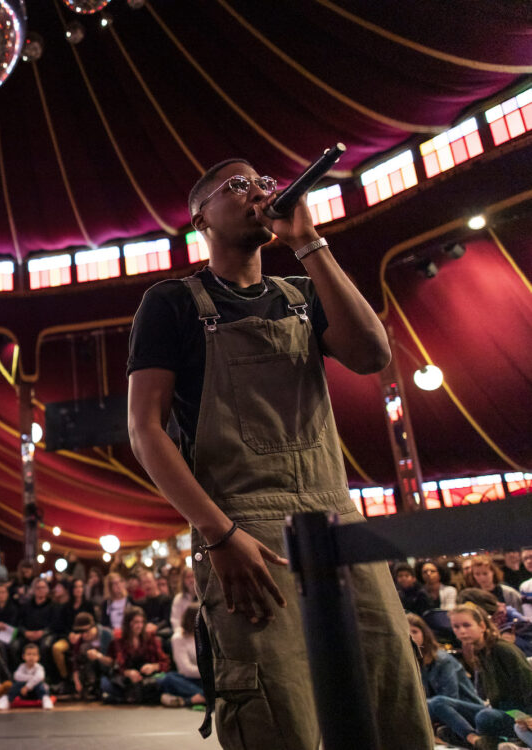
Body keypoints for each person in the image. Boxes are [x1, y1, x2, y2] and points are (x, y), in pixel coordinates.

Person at [126, 158, 429, 748]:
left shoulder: (304, 294)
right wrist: (219, 534)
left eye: (263, 182)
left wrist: (309, 242)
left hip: (340, 521)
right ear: (199, 220)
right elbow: (144, 431)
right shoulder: (171, 304)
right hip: (245, 528)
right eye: (236, 186)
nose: (259, 191)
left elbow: (372, 355)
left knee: (391, 697)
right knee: (277, 711)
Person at [428, 604, 532, 749]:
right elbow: (485, 695)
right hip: (499, 709)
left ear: (482, 626)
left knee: (484, 717)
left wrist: (527, 718)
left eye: (466, 625)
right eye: (456, 627)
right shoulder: (478, 652)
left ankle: (487, 743)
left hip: (520, 713)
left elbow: (528, 684)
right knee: (437, 703)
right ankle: (476, 740)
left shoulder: (503, 649)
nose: (461, 631)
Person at [406, 614, 478, 702]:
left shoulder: (442, 660)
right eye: (406, 632)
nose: (411, 637)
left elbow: (450, 697)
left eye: (414, 632)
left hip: (464, 707)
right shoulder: (410, 662)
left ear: (424, 634)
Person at [2, 641, 52, 710]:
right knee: (16, 684)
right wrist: (31, 678)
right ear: (23, 656)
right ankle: (7, 699)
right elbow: (16, 676)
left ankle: (45, 699)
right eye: (29, 654)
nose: (31, 657)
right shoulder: (21, 666)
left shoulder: (39, 667)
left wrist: (27, 686)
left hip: (35, 692)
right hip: (24, 692)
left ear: (38, 657)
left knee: (40, 684)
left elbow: (40, 677)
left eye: (34, 654)